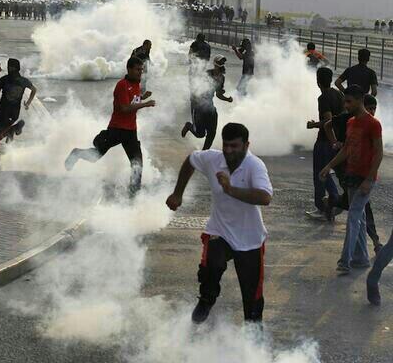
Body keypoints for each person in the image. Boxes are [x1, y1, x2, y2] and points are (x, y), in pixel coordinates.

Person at [167, 123, 273, 323]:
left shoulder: (255, 165)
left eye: (234, 146)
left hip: (249, 237)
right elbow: (191, 160)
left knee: (252, 296)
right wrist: (177, 193)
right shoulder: (213, 159)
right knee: (210, 266)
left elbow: (265, 197)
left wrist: (230, 189)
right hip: (220, 230)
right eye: (226, 145)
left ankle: (253, 331)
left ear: (246, 145)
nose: (228, 151)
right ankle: (207, 299)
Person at [64, 57, 156, 197]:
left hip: (131, 131)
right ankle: (76, 153)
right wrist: (145, 104)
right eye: (137, 70)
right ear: (129, 69)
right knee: (96, 156)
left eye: (141, 70)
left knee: (137, 163)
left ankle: (134, 193)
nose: (140, 73)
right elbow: (124, 108)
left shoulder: (136, 84)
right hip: (117, 128)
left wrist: (142, 97)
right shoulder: (122, 85)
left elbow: (133, 100)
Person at [320, 86, 383, 275]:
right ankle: (361, 258)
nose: (346, 105)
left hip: (365, 178)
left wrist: (369, 178)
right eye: (345, 102)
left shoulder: (373, 124)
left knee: (354, 216)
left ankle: (344, 262)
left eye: (349, 102)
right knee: (360, 218)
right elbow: (346, 149)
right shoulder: (351, 123)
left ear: (359, 100)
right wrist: (329, 165)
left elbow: (379, 153)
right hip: (351, 176)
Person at [305, 67, 343, 221]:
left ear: (318, 81)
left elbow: (328, 120)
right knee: (325, 173)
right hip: (336, 140)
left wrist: (313, 125)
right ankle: (331, 205)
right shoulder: (337, 94)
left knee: (320, 174)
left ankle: (326, 206)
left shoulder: (324, 98)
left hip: (325, 141)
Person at [0, 58, 36, 165]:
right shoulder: (4, 79)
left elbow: (34, 89)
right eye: (8, 66)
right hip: (1, 111)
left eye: (11, 67)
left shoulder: (23, 81)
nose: (9, 68)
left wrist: (28, 103)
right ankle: (13, 129)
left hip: (12, 114)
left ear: (16, 68)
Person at [182, 55, 233, 150]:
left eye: (222, 63)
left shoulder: (222, 78)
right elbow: (196, 88)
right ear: (215, 64)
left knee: (212, 133)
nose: (220, 66)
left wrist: (227, 99)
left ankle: (204, 152)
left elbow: (218, 94)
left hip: (209, 106)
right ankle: (189, 126)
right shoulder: (206, 74)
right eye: (219, 63)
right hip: (198, 106)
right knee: (200, 134)